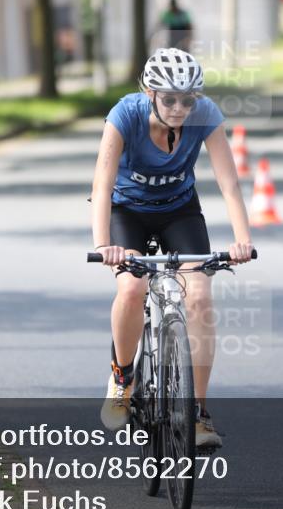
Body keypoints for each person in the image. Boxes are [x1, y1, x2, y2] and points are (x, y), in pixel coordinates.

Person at [91, 48, 255, 449]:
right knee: (131, 288)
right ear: (149, 92)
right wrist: (104, 246)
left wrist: (242, 240)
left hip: (180, 210)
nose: (180, 108)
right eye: (169, 99)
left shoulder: (206, 115)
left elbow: (229, 183)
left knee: (199, 296)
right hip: (126, 211)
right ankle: (122, 378)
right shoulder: (124, 115)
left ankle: (198, 413)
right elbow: (102, 185)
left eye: (188, 100)